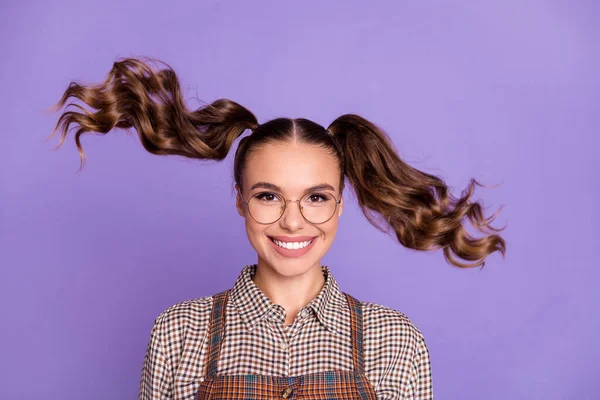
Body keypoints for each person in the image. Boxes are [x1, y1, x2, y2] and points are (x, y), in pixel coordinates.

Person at [48, 57, 506, 400]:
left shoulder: (396, 340)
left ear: (340, 205)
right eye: (268, 196)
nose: (292, 219)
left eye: (316, 197)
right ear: (240, 201)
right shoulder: (178, 333)